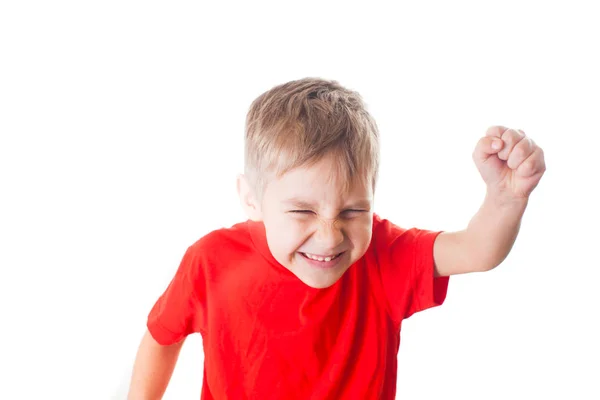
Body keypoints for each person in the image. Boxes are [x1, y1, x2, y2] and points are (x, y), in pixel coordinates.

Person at [127, 77, 546, 399]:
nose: (329, 238)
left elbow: (476, 250)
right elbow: (163, 334)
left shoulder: (384, 253)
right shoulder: (211, 259)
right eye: (302, 211)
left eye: (352, 211)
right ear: (251, 199)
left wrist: (506, 199)